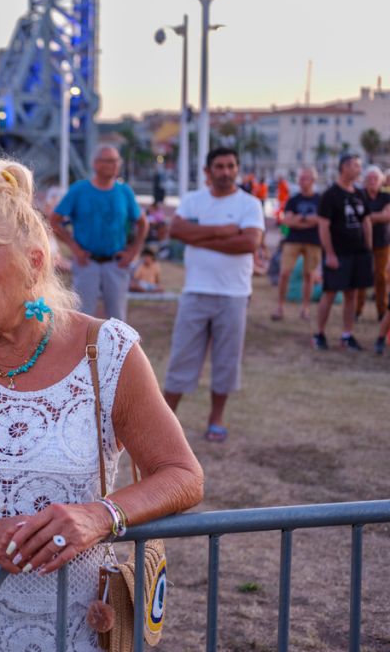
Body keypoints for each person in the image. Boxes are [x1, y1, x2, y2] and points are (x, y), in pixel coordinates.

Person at [0, 159, 203, 652]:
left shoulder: (109, 349)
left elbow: (183, 475)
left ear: (34, 262)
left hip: (73, 632)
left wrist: (98, 516)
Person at [164, 148, 264, 441]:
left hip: (234, 294)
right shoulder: (194, 200)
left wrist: (201, 235)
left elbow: (248, 243)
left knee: (226, 360)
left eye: (231, 166)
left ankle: (216, 418)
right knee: (182, 357)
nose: (225, 171)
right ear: (208, 171)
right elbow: (178, 231)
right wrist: (223, 230)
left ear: (237, 169)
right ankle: (166, 422)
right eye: (219, 166)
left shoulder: (250, 204)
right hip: (196, 291)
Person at [50, 145, 148, 322]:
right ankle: (82, 350)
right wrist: (74, 248)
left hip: (116, 263)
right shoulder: (79, 190)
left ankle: (116, 350)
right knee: (81, 317)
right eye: (109, 160)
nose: (114, 164)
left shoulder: (124, 192)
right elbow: (54, 220)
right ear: (96, 164)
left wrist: (133, 252)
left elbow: (142, 223)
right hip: (87, 262)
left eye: (117, 160)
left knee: (118, 320)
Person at [313, 154, 373, 351]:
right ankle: (319, 334)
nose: (359, 169)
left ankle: (347, 335)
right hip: (338, 253)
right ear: (344, 168)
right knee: (329, 293)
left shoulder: (359, 193)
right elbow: (323, 226)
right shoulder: (331, 195)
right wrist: (329, 254)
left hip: (358, 253)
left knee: (351, 294)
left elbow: (366, 220)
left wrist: (368, 248)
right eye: (356, 165)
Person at [273, 167, 321, 321]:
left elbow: (320, 220)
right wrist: (309, 220)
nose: (302, 182)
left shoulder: (320, 200)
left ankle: (305, 308)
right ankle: (280, 307)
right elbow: (287, 221)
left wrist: (300, 219)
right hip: (292, 240)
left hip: (313, 241)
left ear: (313, 180)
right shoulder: (293, 200)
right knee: (284, 273)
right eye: (300, 178)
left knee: (309, 275)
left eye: (305, 178)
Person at [355, 166, 390, 321]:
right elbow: (358, 217)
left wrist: (368, 218)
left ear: (381, 181)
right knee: (361, 276)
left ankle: (382, 310)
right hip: (362, 243)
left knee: (381, 277)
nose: (372, 181)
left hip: (382, 242)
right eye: (369, 178)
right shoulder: (359, 196)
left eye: (375, 178)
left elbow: (387, 216)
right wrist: (375, 216)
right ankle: (357, 309)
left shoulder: (386, 196)